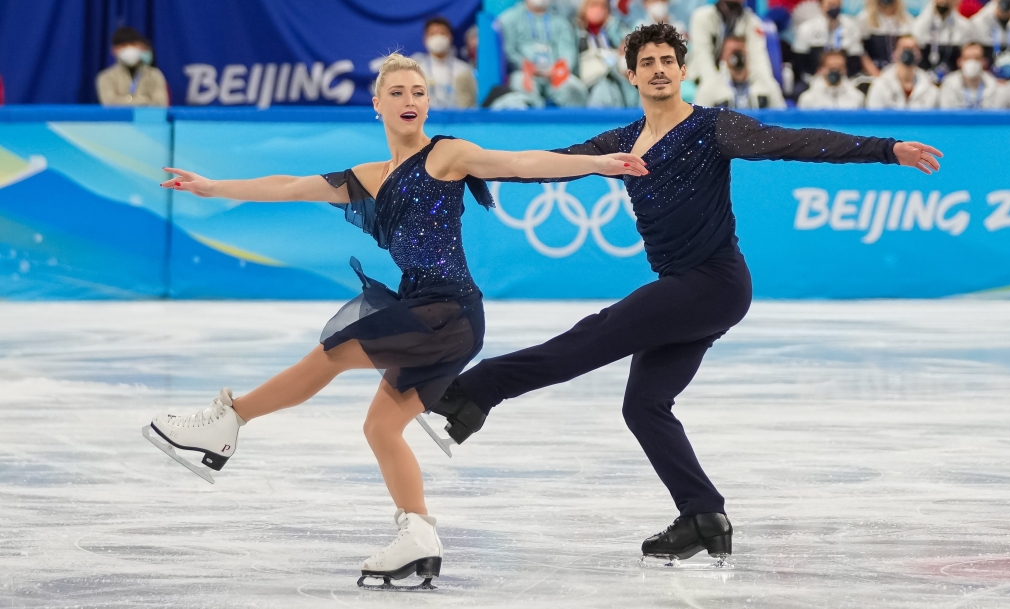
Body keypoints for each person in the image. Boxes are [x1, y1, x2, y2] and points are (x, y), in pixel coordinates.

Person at [432, 23, 941, 565]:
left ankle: (476, 392)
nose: (657, 68)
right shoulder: (621, 142)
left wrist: (888, 150)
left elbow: (796, 142)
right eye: (646, 61)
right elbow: (551, 164)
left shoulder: (713, 128)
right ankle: (702, 514)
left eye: (666, 60)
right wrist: (471, 163)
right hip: (685, 288)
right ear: (631, 75)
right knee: (644, 405)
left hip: (714, 282)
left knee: (594, 335)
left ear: (681, 70)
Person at [144, 53, 646, 589]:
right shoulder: (370, 176)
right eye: (399, 93)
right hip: (435, 309)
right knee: (382, 428)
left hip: (445, 308)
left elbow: (519, 162)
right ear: (377, 104)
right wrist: (213, 186)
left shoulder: (446, 155)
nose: (411, 101)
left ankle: (229, 424)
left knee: (331, 353)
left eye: (419, 92)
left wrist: (598, 163)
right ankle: (419, 538)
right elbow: (291, 185)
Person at [499, 0, 590, 107]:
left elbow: (568, 52)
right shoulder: (508, 19)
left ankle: (570, 122)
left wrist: (557, 69)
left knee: (573, 88)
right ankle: (531, 122)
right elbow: (508, 51)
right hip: (525, 72)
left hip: (555, 73)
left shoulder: (560, 21)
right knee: (520, 86)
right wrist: (526, 65)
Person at [688, 0, 776, 96]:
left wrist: (763, 85)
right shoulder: (702, 17)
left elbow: (759, 60)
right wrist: (716, 87)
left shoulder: (752, 22)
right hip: (701, 80)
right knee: (705, 93)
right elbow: (703, 58)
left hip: (741, 81)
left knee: (771, 89)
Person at [695, 35, 787, 109]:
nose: (737, 56)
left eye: (740, 51)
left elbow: (782, 119)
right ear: (723, 56)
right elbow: (699, 123)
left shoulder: (766, 84)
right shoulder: (709, 87)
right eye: (732, 52)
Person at [575, 0, 635, 107]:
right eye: (594, 5)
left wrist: (613, 25)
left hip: (616, 76)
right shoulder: (576, 33)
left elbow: (627, 44)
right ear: (584, 8)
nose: (598, 10)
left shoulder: (615, 30)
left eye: (603, 7)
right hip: (591, 81)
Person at [792, 0, 868, 84]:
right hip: (813, 79)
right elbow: (799, 61)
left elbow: (855, 59)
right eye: (830, 5)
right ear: (820, 6)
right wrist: (812, 80)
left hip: (846, 79)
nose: (834, 8)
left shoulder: (851, 27)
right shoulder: (806, 28)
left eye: (836, 5)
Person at [410, 17, 477, 109]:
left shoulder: (464, 70)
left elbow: (472, 106)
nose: (438, 38)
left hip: (457, 121)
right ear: (425, 39)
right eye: (433, 34)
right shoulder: (415, 70)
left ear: (450, 37)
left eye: (442, 33)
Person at [96, 26, 168, 107]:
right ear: (114, 50)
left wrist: (126, 100)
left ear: (141, 46)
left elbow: (161, 104)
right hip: (120, 119)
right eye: (124, 45)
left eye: (133, 44)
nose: (129, 48)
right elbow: (110, 103)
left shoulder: (154, 75)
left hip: (147, 119)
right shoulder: (106, 77)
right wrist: (144, 100)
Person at [866, 34, 940, 108]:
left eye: (913, 48)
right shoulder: (881, 86)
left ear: (920, 54)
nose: (908, 52)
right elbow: (875, 116)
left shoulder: (929, 88)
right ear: (894, 53)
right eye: (904, 48)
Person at [911, 0, 974, 80]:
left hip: (952, 78)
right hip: (925, 77)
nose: (943, 2)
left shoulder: (964, 26)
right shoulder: (920, 24)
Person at [856, 0, 914, 76]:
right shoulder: (865, 19)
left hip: (899, 73)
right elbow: (862, 54)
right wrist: (878, 75)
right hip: (873, 72)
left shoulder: (907, 20)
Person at [938, 42, 1003, 108]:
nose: (972, 62)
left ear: (984, 62)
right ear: (959, 62)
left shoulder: (994, 85)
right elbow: (947, 114)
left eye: (977, 58)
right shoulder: (949, 84)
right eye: (967, 58)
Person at [797, 50, 867, 108]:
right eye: (831, 68)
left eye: (839, 68)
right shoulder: (808, 99)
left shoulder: (857, 97)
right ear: (820, 70)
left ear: (845, 70)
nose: (835, 72)